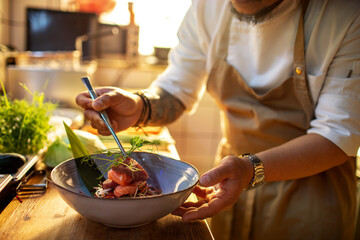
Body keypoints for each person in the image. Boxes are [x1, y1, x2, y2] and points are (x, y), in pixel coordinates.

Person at [76, 0, 360, 239]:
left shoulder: (345, 14)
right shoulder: (207, 7)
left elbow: (337, 134)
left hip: (313, 201)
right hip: (226, 186)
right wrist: (140, 106)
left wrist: (250, 169)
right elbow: (177, 90)